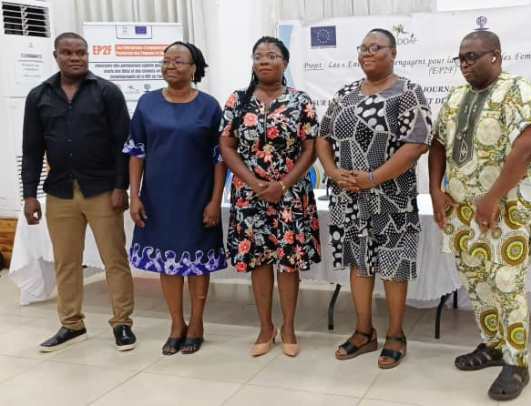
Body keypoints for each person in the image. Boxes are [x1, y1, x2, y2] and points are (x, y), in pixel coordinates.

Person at [429, 31, 531, 400]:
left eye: (472, 56)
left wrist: (492, 198)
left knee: (507, 285)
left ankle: (517, 363)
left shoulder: (519, 90)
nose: (465, 64)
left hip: (508, 212)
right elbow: (437, 144)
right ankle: (493, 345)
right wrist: (435, 190)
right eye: (461, 58)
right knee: (477, 283)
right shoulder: (455, 97)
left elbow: (527, 146)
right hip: (463, 213)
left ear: (495, 55)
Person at [316, 28, 432, 369]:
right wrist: (333, 172)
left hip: (392, 198)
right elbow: (322, 137)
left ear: (393, 53)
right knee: (359, 263)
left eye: (376, 47)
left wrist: (372, 178)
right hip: (349, 196)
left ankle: (396, 335)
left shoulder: (408, 92)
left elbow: (417, 144)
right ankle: (364, 332)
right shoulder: (344, 95)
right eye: (363, 47)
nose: (367, 52)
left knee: (394, 266)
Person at [21, 32, 135, 352]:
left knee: (115, 260)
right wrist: (29, 194)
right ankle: (71, 324)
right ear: (55, 56)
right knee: (66, 262)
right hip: (60, 192)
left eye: (81, 52)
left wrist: (121, 186)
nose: (75, 58)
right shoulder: (38, 96)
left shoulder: (107, 92)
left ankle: (122, 323)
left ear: (88, 55)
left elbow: (123, 144)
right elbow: (32, 149)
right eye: (68, 53)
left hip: (102, 190)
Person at [219, 36, 321, 358]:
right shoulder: (237, 100)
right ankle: (266, 327)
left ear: (284, 63)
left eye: (272, 55)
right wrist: (254, 182)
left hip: (290, 193)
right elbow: (226, 145)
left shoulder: (301, 101)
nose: (264, 60)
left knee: (288, 263)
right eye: (259, 56)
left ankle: (288, 327)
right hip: (249, 195)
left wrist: (284, 184)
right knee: (258, 261)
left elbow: (311, 148)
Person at [124, 41, 227, 355]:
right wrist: (134, 195)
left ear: (194, 68)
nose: (170, 66)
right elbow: (136, 152)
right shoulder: (147, 103)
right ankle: (176, 324)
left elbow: (220, 158)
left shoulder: (209, 106)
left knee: (197, 262)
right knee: (166, 262)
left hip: (198, 196)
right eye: (166, 60)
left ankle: (196, 324)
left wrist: (215, 200)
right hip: (159, 198)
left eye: (178, 61)